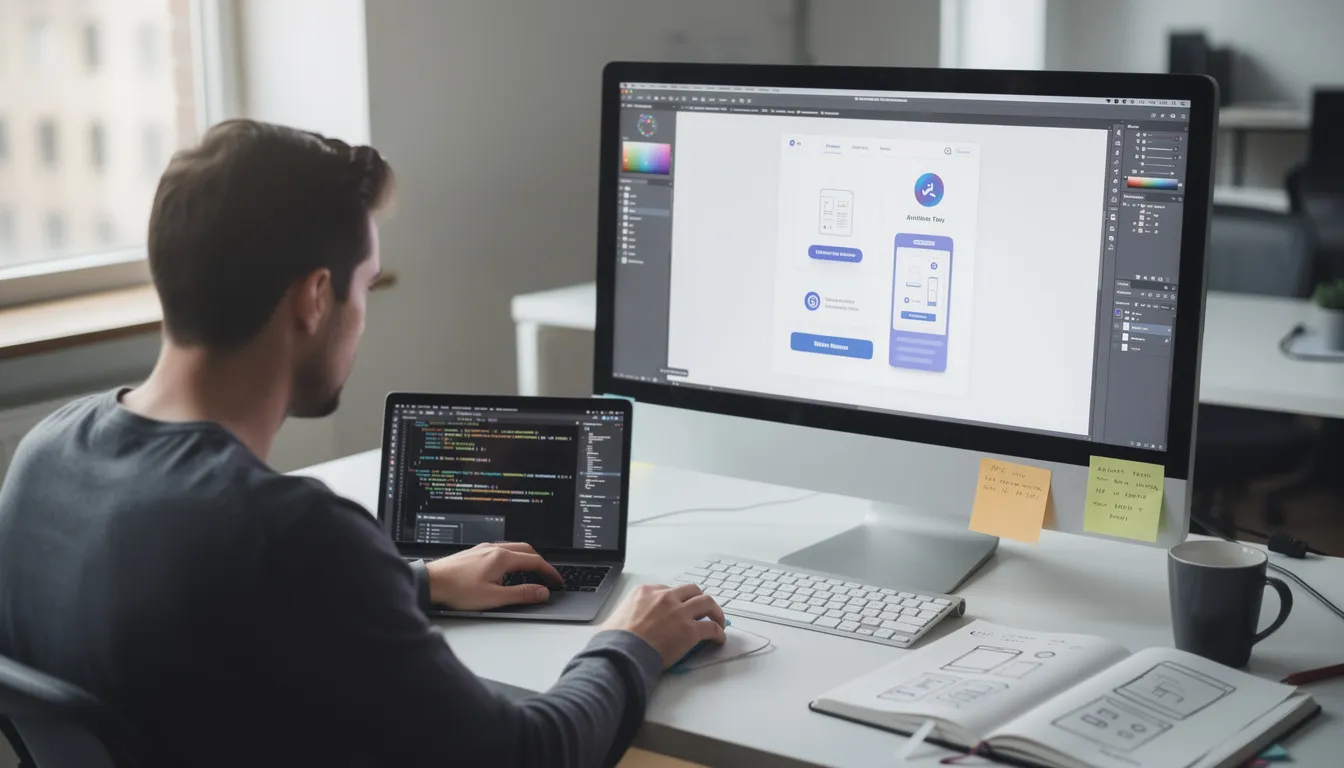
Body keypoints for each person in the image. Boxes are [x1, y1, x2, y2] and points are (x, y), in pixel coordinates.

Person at [0, 120, 725, 768]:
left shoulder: (45, 454)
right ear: (315, 299)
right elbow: (524, 754)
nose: (363, 316)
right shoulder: (288, 533)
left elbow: (205, 606)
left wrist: (416, 581)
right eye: (366, 287)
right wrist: (633, 640)